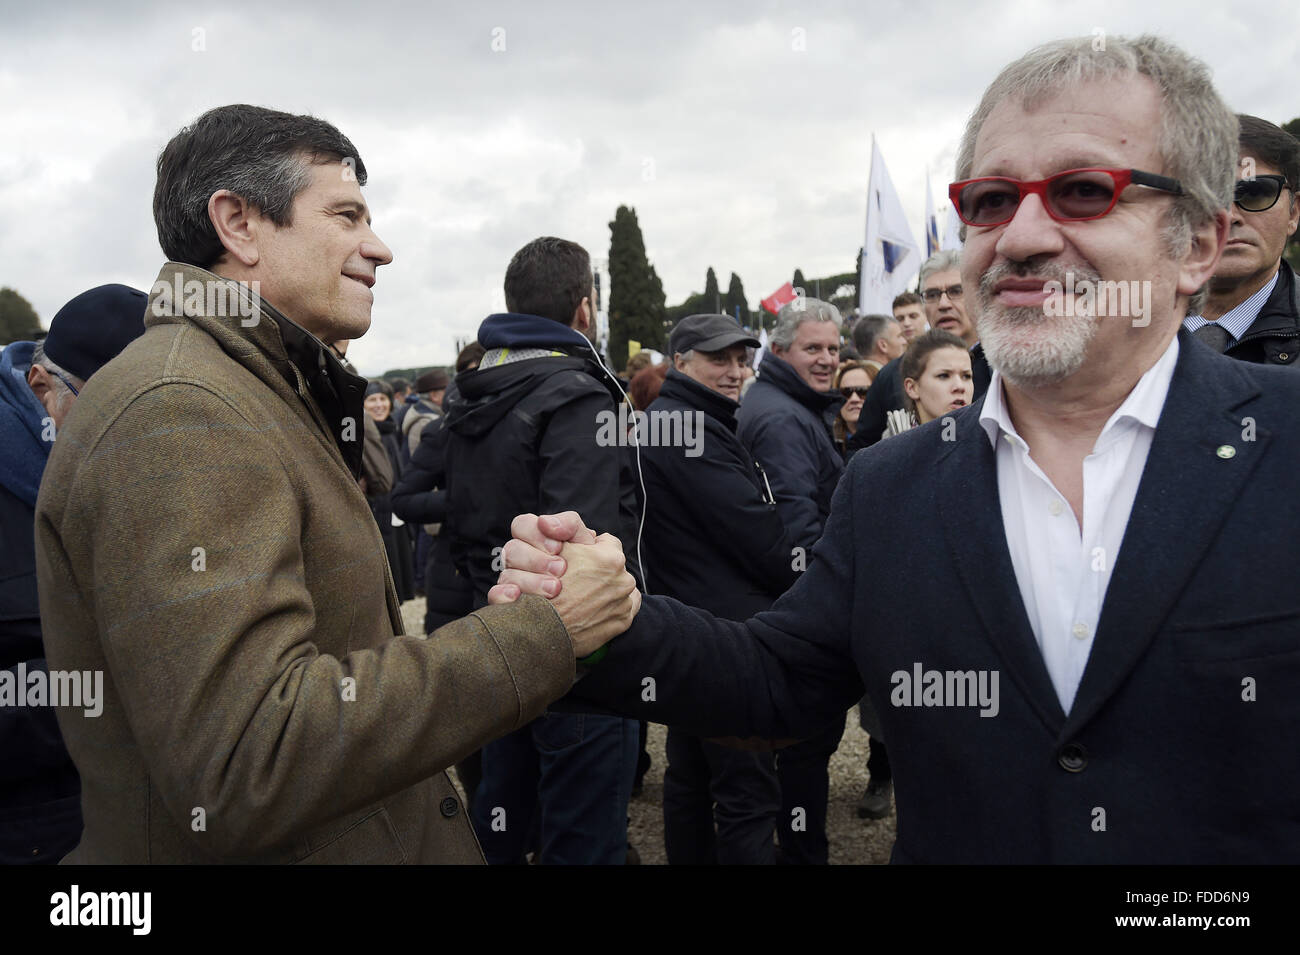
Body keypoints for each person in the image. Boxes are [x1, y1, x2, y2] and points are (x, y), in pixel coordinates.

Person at [492, 34, 1300, 864]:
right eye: (989, 200)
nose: (1020, 236)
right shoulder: (891, 485)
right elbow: (780, 682)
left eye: (1084, 191)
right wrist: (606, 619)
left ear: (1197, 243)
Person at [34, 105, 633, 864]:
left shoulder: (255, 387)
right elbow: (249, 757)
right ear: (239, 223)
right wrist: (539, 634)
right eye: (347, 216)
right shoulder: (181, 407)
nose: (378, 249)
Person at [442, 235, 641, 865]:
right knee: (581, 839)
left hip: (497, 633)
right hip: (577, 658)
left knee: (502, 818)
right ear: (584, 310)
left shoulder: (476, 392)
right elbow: (580, 540)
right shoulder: (576, 392)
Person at [1, 284, 147, 864]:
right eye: (108, 409)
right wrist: (112, 682)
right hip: (39, 829)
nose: (133, 435)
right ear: (43, 387)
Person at [646, 314, 795, 864]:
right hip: (725, 636)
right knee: (746, 792)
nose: (735, 371)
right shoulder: (686, 426)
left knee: (692, 775)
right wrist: (809, 580)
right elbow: (755, 535)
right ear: (680, 362)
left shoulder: (688, 417)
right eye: (720, 359)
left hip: (693, 625)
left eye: (741, 358)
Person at [736, 298, 846, 865]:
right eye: (813, 348)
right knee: (801, 757)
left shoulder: (788, 405)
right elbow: (796, 527)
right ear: (778, 351)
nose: (827, 359)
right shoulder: (782, 417)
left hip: (784, 608)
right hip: (798, 614)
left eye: (832, 348)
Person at [1183, 115, 1299, 364]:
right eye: (1204, 198)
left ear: (1294, 212)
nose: (1228, 216)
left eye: (1256, 192)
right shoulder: (1104, 328)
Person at [851, 251, 990, 453]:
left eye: (956, 291)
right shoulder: (892, 375)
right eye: (932, 295)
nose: (943, 304)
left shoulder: (1005, 369)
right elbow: (860, 450)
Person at [363, 379, 415, 602]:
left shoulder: (392, 430)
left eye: (383, 399)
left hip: (394, 513)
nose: (378, 405)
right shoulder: (360, 434)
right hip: (375, 515)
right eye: (372, 400)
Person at [882, 330, 974, 437]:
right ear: (912, 388)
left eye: (966, 376)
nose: (960, 386)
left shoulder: (990, 439)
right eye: (944, 376)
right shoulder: (892, 446)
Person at [831, 361, 872, 457]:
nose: (854, 399)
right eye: (846, 392)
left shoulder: (892, 438)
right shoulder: (827, 441)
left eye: (863, 391)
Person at [850, 314, 907, 381]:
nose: (904, 341)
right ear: (883, 345)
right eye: (899, 336)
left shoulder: (848, 376)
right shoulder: (888, 381)